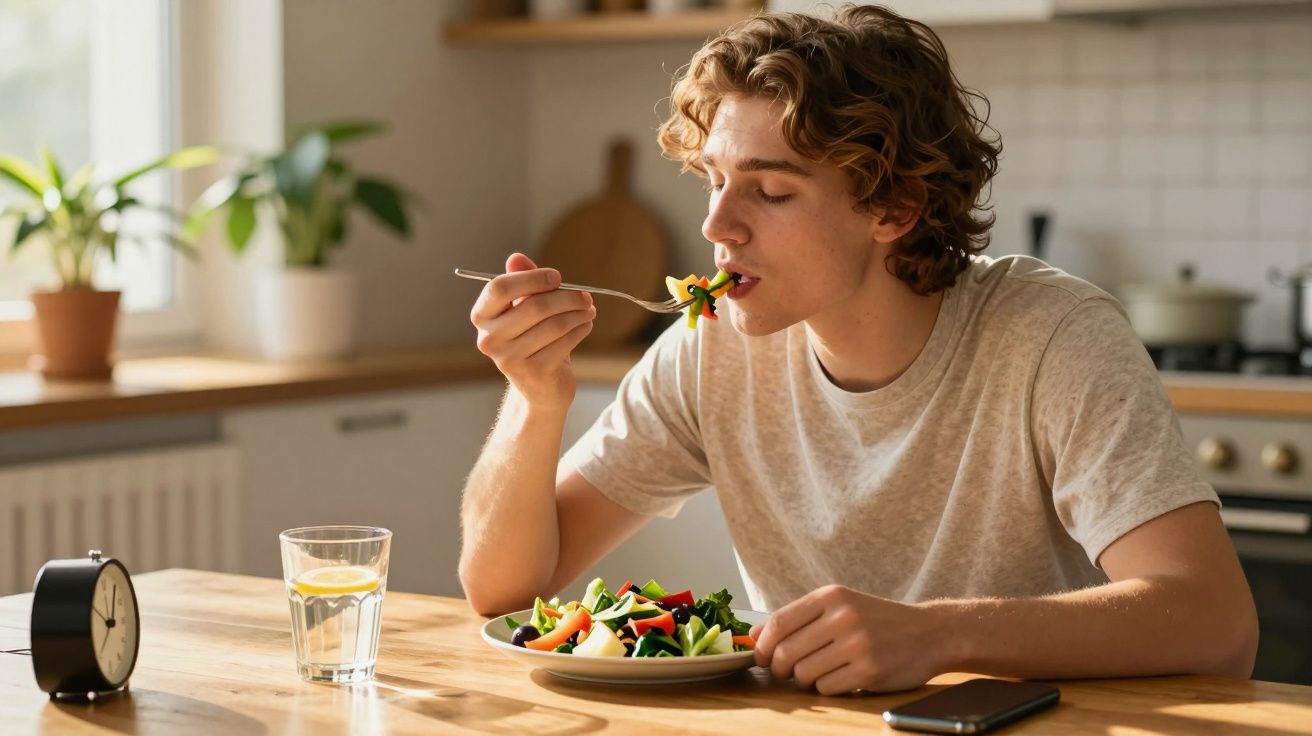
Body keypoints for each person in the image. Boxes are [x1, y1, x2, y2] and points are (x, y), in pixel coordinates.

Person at [458, 5, 1258, 694]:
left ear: (895, 208)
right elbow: (502, 590)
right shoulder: (709, 350)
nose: (716, 226)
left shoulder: (1051, 335)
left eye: (771, 192)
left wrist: (940, 635)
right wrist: (536, 401)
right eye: (713, 178)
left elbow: (1216, 623)